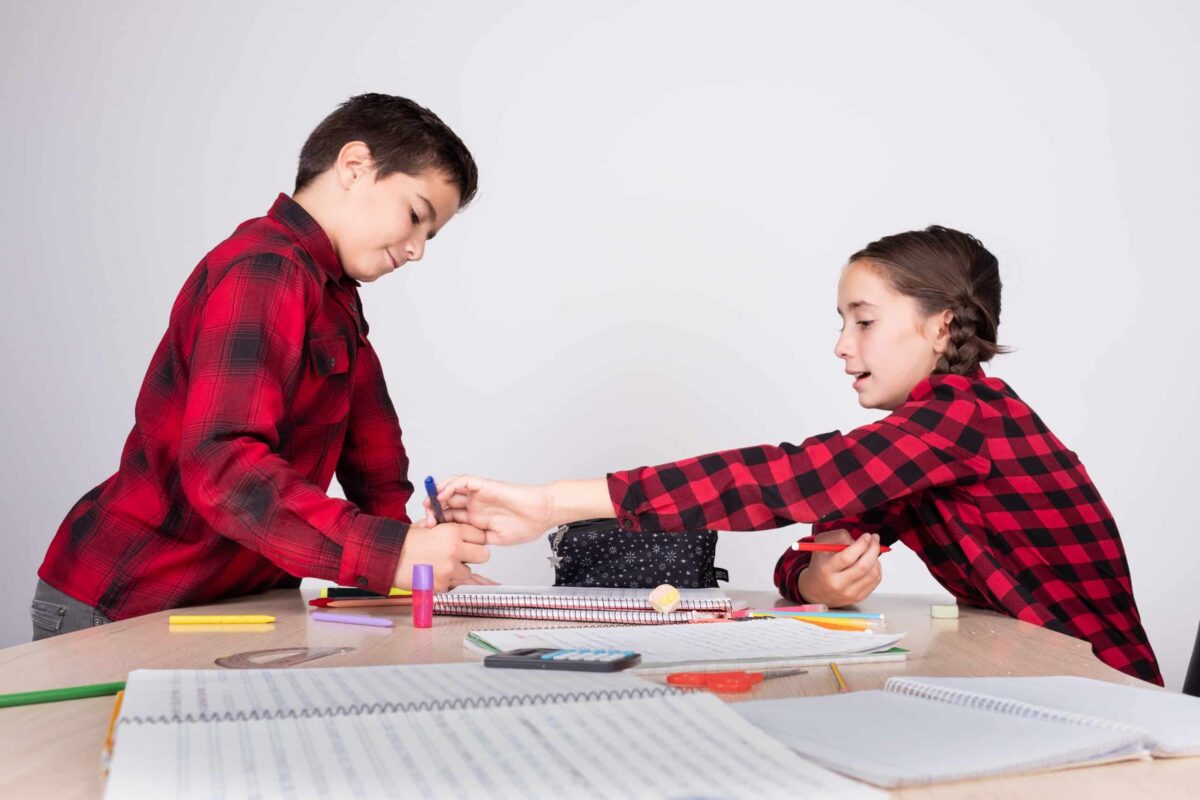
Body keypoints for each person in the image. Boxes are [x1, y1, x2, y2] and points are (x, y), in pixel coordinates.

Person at [429, 226, 1162, 684]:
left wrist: (552, 503)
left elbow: (790, 478)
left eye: (864, 320)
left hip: (1106, 697)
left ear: (941, 329)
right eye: (842, 322)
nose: (842, 345)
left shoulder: (963, 421)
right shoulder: (924, 443)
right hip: (1037, 682)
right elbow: (817, 527)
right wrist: (819, 582)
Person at [34, 94, 489, 639]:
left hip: (229, 603)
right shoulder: (264, 269)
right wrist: (391, 553)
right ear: (354, 166)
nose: (417, 249)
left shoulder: (335, 294)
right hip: (129, 599)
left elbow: (373, 455)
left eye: (429, 235)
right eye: (415, 215)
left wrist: (419, 558)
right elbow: (223, 466)